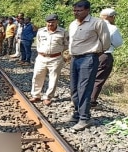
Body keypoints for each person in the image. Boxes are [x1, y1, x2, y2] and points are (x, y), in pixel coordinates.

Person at [68, 0, 111, 131]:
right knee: (74, 89)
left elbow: (105, 42)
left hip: (89, 58)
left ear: (87, 10)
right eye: (75, 10)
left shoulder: (97, 23)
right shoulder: (73, 24)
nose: (76, 13)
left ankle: (85, 118)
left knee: (84, 89)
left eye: (79, 10)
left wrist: (94, 55)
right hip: (75, 58)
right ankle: (77, 113)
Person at [29, 14, 69, 106]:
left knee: (53, 78)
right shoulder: (41, 31)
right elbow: (38, 42)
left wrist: (60, 54)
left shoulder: (63, 32)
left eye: (53, 22)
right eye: (48, 22)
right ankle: (35, 95)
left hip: (56, 58)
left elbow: (67, 45)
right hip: (41, 57)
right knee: (37, 76)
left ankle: (48, 97)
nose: (50, 24)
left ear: (57, 22)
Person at [90, 8, 123, 108]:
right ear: (110, 17)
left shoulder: (92, 25)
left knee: (87, 77)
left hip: (88, 54)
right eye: (113, 17)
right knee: (98, 78)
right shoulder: (112, 28)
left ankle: (80, 99)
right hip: (104, 55)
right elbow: (118, 43)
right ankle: (91, 102)